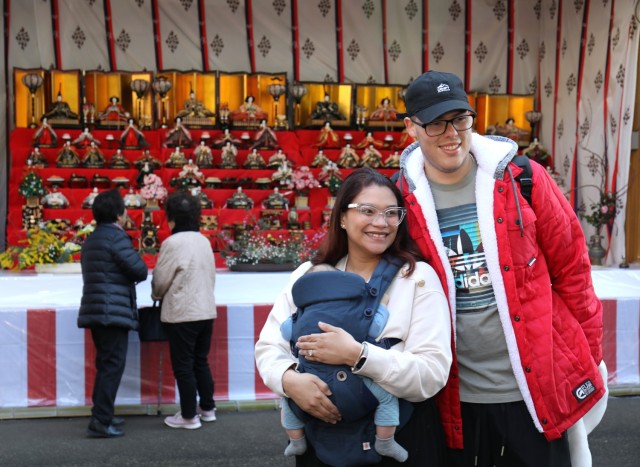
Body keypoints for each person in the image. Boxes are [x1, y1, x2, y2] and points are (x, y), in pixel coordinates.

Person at [396, 70, 607, 466]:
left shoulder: (522, 178)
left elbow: (573, 270)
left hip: (534, 387)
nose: (451, 133)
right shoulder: (401, 198)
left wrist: (588, 355)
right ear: (411, 128)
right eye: (436, 123)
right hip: (454, 396)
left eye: (460, 118)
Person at [255, 167, 452, 466]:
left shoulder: (416, 277)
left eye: (391, 213)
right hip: (320, 438)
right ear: (342, 218)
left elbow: (432, 372)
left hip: (399, 437)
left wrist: (359, 356)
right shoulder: (309, 275)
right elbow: (270, 346)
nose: (380, 223)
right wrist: (289, 380)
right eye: (367, 211)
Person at [279, 262, 408, 462]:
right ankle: (385, 440)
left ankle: (296, 440)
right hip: (354, 382)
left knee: (287, 399)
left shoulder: (301, 312)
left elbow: (286, 331)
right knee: (387, 398)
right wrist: (381, 305)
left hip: (311, 380)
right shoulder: (355, 307)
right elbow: (375, 328)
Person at [77, 189, 149, 438]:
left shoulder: (93, 239)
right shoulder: (116, 238)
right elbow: (139, 270)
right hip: (113, 311)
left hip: (97, 309)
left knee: (105, 364)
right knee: (111, 366)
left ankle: (102, 414)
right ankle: (100, 421)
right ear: (119, 214)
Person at [151, 191, 217, 430]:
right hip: (206, 309)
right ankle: (207, 408)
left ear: (171, 218)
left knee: (183, 365)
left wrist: (156, 295)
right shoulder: (204, 240)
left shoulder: (172, 243)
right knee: (201, 361)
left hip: (181, 312)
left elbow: (160, 280)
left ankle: (189, 415)